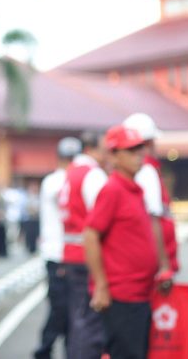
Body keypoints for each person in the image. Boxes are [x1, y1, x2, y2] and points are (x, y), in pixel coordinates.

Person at [84, 125, 160, 359]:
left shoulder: (135, 190)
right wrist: (101, 285)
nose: (139, 155)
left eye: (140, 149)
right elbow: (90, 235)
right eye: (130, 150)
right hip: (122, 297)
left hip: (140, 294)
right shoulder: (113, 190)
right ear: (114, 155)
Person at [57, 131, 108, 359]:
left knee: (78, 318)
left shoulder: (71, 172)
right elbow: (102, 216)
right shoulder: (93, 174)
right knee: (90, 321)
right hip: (86, 255)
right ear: (90, 149)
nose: (106, 155)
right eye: (103, 150)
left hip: (71, 253)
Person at [33, 136, 81, 359]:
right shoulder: (56, 181)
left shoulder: (58, 180)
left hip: (63, 253)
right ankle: (44, 349)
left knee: (68, 310)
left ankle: (65, 350)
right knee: (61, 309)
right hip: (58, 254)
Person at [123, 113, 178, 273]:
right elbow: (152, 219)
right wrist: (163, 264)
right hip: (153, 257)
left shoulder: (140, 170)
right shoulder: (146, 170)